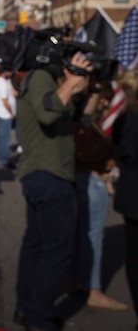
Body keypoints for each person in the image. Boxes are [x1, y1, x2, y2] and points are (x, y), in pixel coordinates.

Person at [14, 49, 93, 331]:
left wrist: (86, 85)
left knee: (36, 246)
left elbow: (81, 116)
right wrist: (72, 81)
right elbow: (48, 114)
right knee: (56, 253)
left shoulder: (50, 83)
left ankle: (26, 308)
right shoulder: (40, 78)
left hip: (46, 174)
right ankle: (38, 317)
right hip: (49, 176)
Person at [71, 81, 127, 310]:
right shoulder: (85, 124)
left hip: (87, 179)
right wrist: (107, 163)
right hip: (92, 179)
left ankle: (76, 280)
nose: (105, 104)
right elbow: (88, 152)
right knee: (92, 238)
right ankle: (92, 288)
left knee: (81, 235)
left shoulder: (86, 122)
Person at [112, 69, 138, 320]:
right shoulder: (126, 119)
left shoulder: (124, 119)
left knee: (134, 257)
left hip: (130, 197)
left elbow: (118, 153)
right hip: (132, 196)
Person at [0, 62, 18, 169]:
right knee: (4, 139)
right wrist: (11, 112)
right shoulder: (2, 83)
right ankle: (2, 160)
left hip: (1, 113)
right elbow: (5, 101)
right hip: (3, 114)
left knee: (1, 137)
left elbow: (13, 93)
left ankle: (1, 157)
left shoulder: (4, 81)